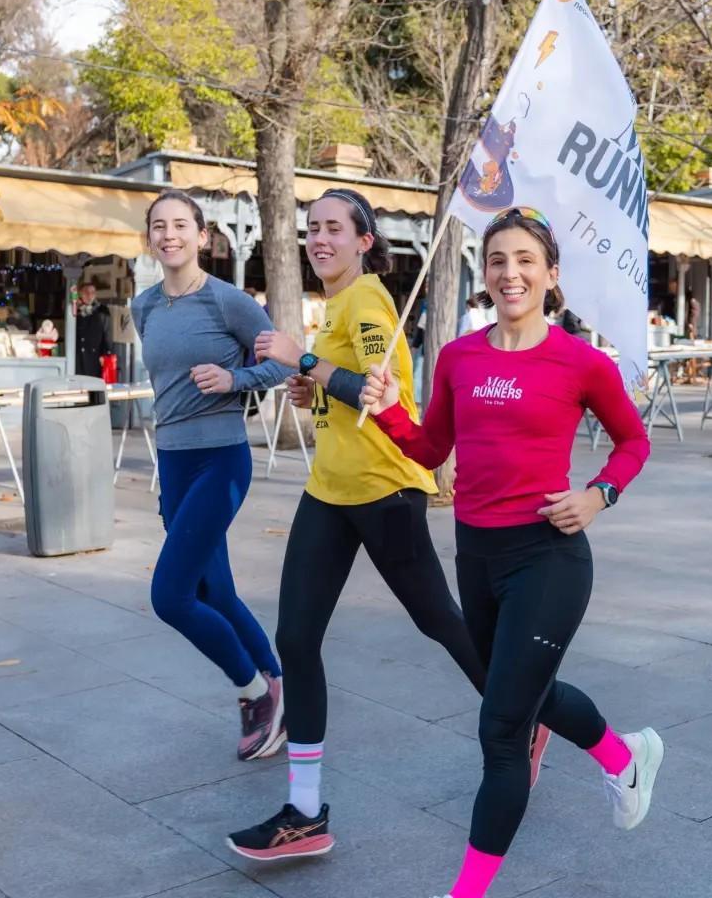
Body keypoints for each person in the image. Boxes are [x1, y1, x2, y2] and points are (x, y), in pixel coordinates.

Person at [360, 207, 661, 898]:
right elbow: (431, 449)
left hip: (549, 556)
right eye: (497, 260)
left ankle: (464, 894)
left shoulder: (580, 362)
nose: (510, 272)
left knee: (502, 729)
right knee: (528, 691)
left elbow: (633, 443)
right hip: (477, 558)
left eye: (525, 260)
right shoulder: (461, 357)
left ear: (552, 275)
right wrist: (387, 414)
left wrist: (598, 495)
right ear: (485, 273)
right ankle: (624, 756)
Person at [228, 189, 498, 861]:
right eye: (312, 228)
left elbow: (380, 396)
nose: (320, 239)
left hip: (384, 492)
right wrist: (312, 383)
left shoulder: (370, 300)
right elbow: (342, 387)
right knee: (296, 637)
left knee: (441, 621)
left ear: (364, 241)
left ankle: (523, 713)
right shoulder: (339, 306)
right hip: (330, 492)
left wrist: (306, 362)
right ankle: (305, 813)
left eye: (333, 229)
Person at [132, 190, 290, 763]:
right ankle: (276, 684)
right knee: (214, 590)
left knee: (170, 596)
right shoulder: (144, 306)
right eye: (158, 225)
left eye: (180, 225)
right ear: (150, 239)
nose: (169, 234)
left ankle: (251, 693)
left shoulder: (229, 302)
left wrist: (234, 383)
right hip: (172, 462)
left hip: (222, 458)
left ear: (203, 236)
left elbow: (282, 361)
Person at [73, 281, 114, 379]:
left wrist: (106, 353)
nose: (89, 295)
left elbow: (107, 333)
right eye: (86, 292)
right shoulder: (75, 310)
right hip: (78, 356)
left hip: (95, 356)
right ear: (80, 294)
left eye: (92, 293)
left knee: (94, 384)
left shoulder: (102, 311)